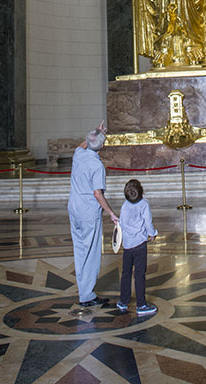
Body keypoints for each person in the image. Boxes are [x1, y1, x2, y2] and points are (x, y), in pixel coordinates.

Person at [67, 120, 118, 307]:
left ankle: (84, 291)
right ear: (102, 146)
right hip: (88, 212)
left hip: (74, 208)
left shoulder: (78, 154)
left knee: (80, 250)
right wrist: (111, 213)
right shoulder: (97, 166)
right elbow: (98, 194)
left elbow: (84, 143)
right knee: (91, 253)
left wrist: (96, 131)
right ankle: (86, 294)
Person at [116, 178, 158, 316]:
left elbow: (121, 224)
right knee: (140, 275)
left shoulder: (124, 205)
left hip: (127, 245)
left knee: (126, 273)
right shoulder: (144, 204)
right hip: (140, 244)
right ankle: (141, 304)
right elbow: (148, 223)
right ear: (142, 191)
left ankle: (123, 301)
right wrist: (153, 234)